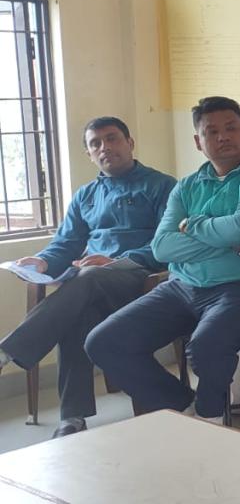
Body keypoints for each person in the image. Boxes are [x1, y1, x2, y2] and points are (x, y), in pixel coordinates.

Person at [87, 97, 240, 420]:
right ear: (199, 142)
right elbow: (162, 248)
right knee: (103, 342)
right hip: (182, 286)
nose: (223, 137)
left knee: (207, 345)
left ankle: (211, 420)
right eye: (212, 132)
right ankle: (183, 407)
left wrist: (192, 225)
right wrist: (230, 243)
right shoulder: (186, 187)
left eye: (231, 128)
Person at [0, 117, 175, 437]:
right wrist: (42, 261)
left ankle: (9, 350)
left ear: (130, 143)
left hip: (140, 277)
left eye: (112, 138)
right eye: (96, 143)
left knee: (86, 278)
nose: (105, 147)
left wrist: (116, 261)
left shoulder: (162, 186)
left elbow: (168, 243)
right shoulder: (86, 195)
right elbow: (66, 243)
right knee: (77, 313)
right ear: (89, 154)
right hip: (91, 284)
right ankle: (72, 418)